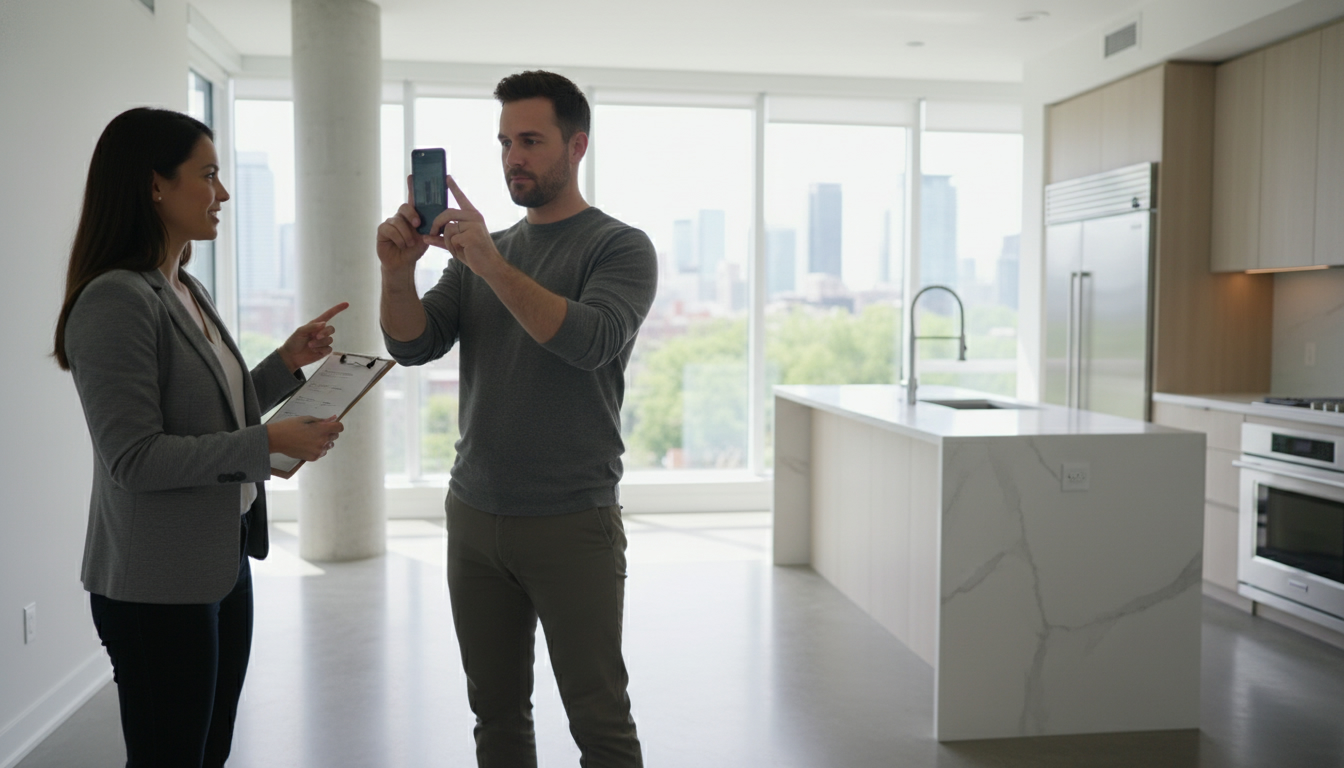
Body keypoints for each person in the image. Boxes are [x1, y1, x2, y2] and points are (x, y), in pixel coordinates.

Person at [377, 71, 657, 767]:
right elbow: (413, 344)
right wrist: (396, 273)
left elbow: (590, 341)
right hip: (474, 516)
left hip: (572, 520)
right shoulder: (484, 248)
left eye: (531, 141)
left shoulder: (619, 247)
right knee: (495, 715)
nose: (513, 158)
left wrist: (490, 264)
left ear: (577, 146)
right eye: (505, 143)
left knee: (600, 721)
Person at [53, 107, 347, 768]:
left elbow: (210, 411)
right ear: (155, 185)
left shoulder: (186, 286)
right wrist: (267, 444)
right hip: (154, 585)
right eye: (208, 175)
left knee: (208, 753)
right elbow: (134, 459)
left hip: (220, 560)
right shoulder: (115, 300)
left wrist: (285, 364)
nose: (224, 193)